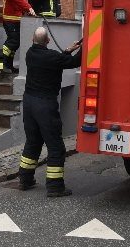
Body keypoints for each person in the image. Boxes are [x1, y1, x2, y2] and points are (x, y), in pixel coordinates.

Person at [17, 27, 82, 197]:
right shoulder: (52, 57)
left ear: (33, 40)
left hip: (29, 103)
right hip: (45, 106)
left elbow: (58, 59)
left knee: (33, 141)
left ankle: (25, 179)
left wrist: (68, 50)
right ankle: (55, 187)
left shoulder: (30, 53)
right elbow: (74, 63)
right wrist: (87, 46)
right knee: (56, 147)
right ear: (48, 41)